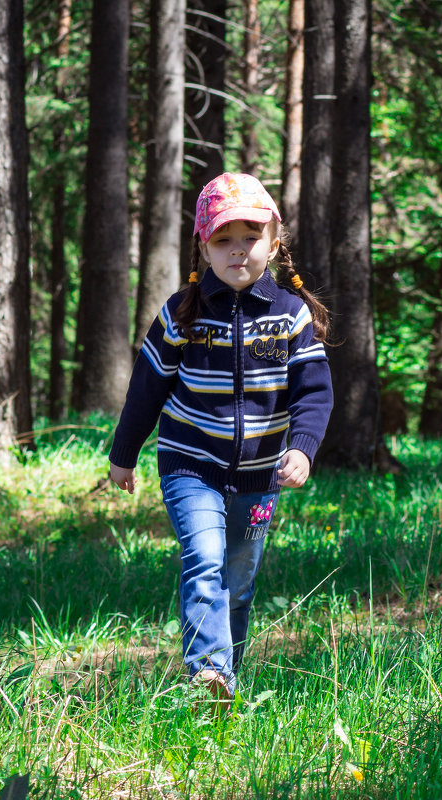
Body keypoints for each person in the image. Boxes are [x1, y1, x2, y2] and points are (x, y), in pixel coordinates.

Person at [108, 172, 334, 704]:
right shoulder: (184, 312)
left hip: (261, 474)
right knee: (205, 559)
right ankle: (209, 673)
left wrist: (301, 447)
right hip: (190, 464)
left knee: (239, 574)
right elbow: (146, 388)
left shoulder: (290, 316)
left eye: (251, 238)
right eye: (223, 240)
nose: (238, 252)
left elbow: (314, 392)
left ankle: (227, 675)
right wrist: (124, 454)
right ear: (203, 246)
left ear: (274, 244)